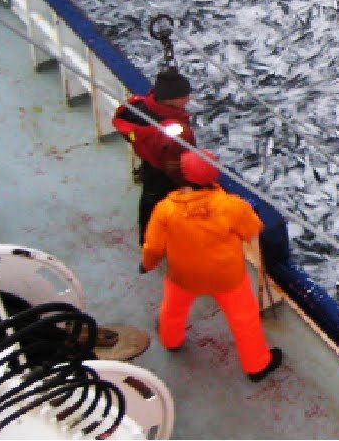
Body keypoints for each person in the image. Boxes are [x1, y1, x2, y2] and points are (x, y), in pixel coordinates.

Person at [140, 149, 283, 382]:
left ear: (180, 176)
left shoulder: (165, 209)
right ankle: (257, 365)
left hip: (182, 275)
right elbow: (253, 230)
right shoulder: (232, 206)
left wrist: (147, 265)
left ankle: (171, 341)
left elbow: (153, 247)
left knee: (172, 309)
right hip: (226, 277)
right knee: (244, 320)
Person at [112, 69, 195, 244]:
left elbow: (126, 127)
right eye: (184, 96)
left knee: (148, 199)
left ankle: (146, 236)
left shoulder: (136, 106)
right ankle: (152, 239)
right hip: (163, 170)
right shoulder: (174, 130)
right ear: (172, 99)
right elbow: (174, 161)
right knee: (157, 199)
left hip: (148, 159)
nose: (188, 99)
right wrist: (187, 182)